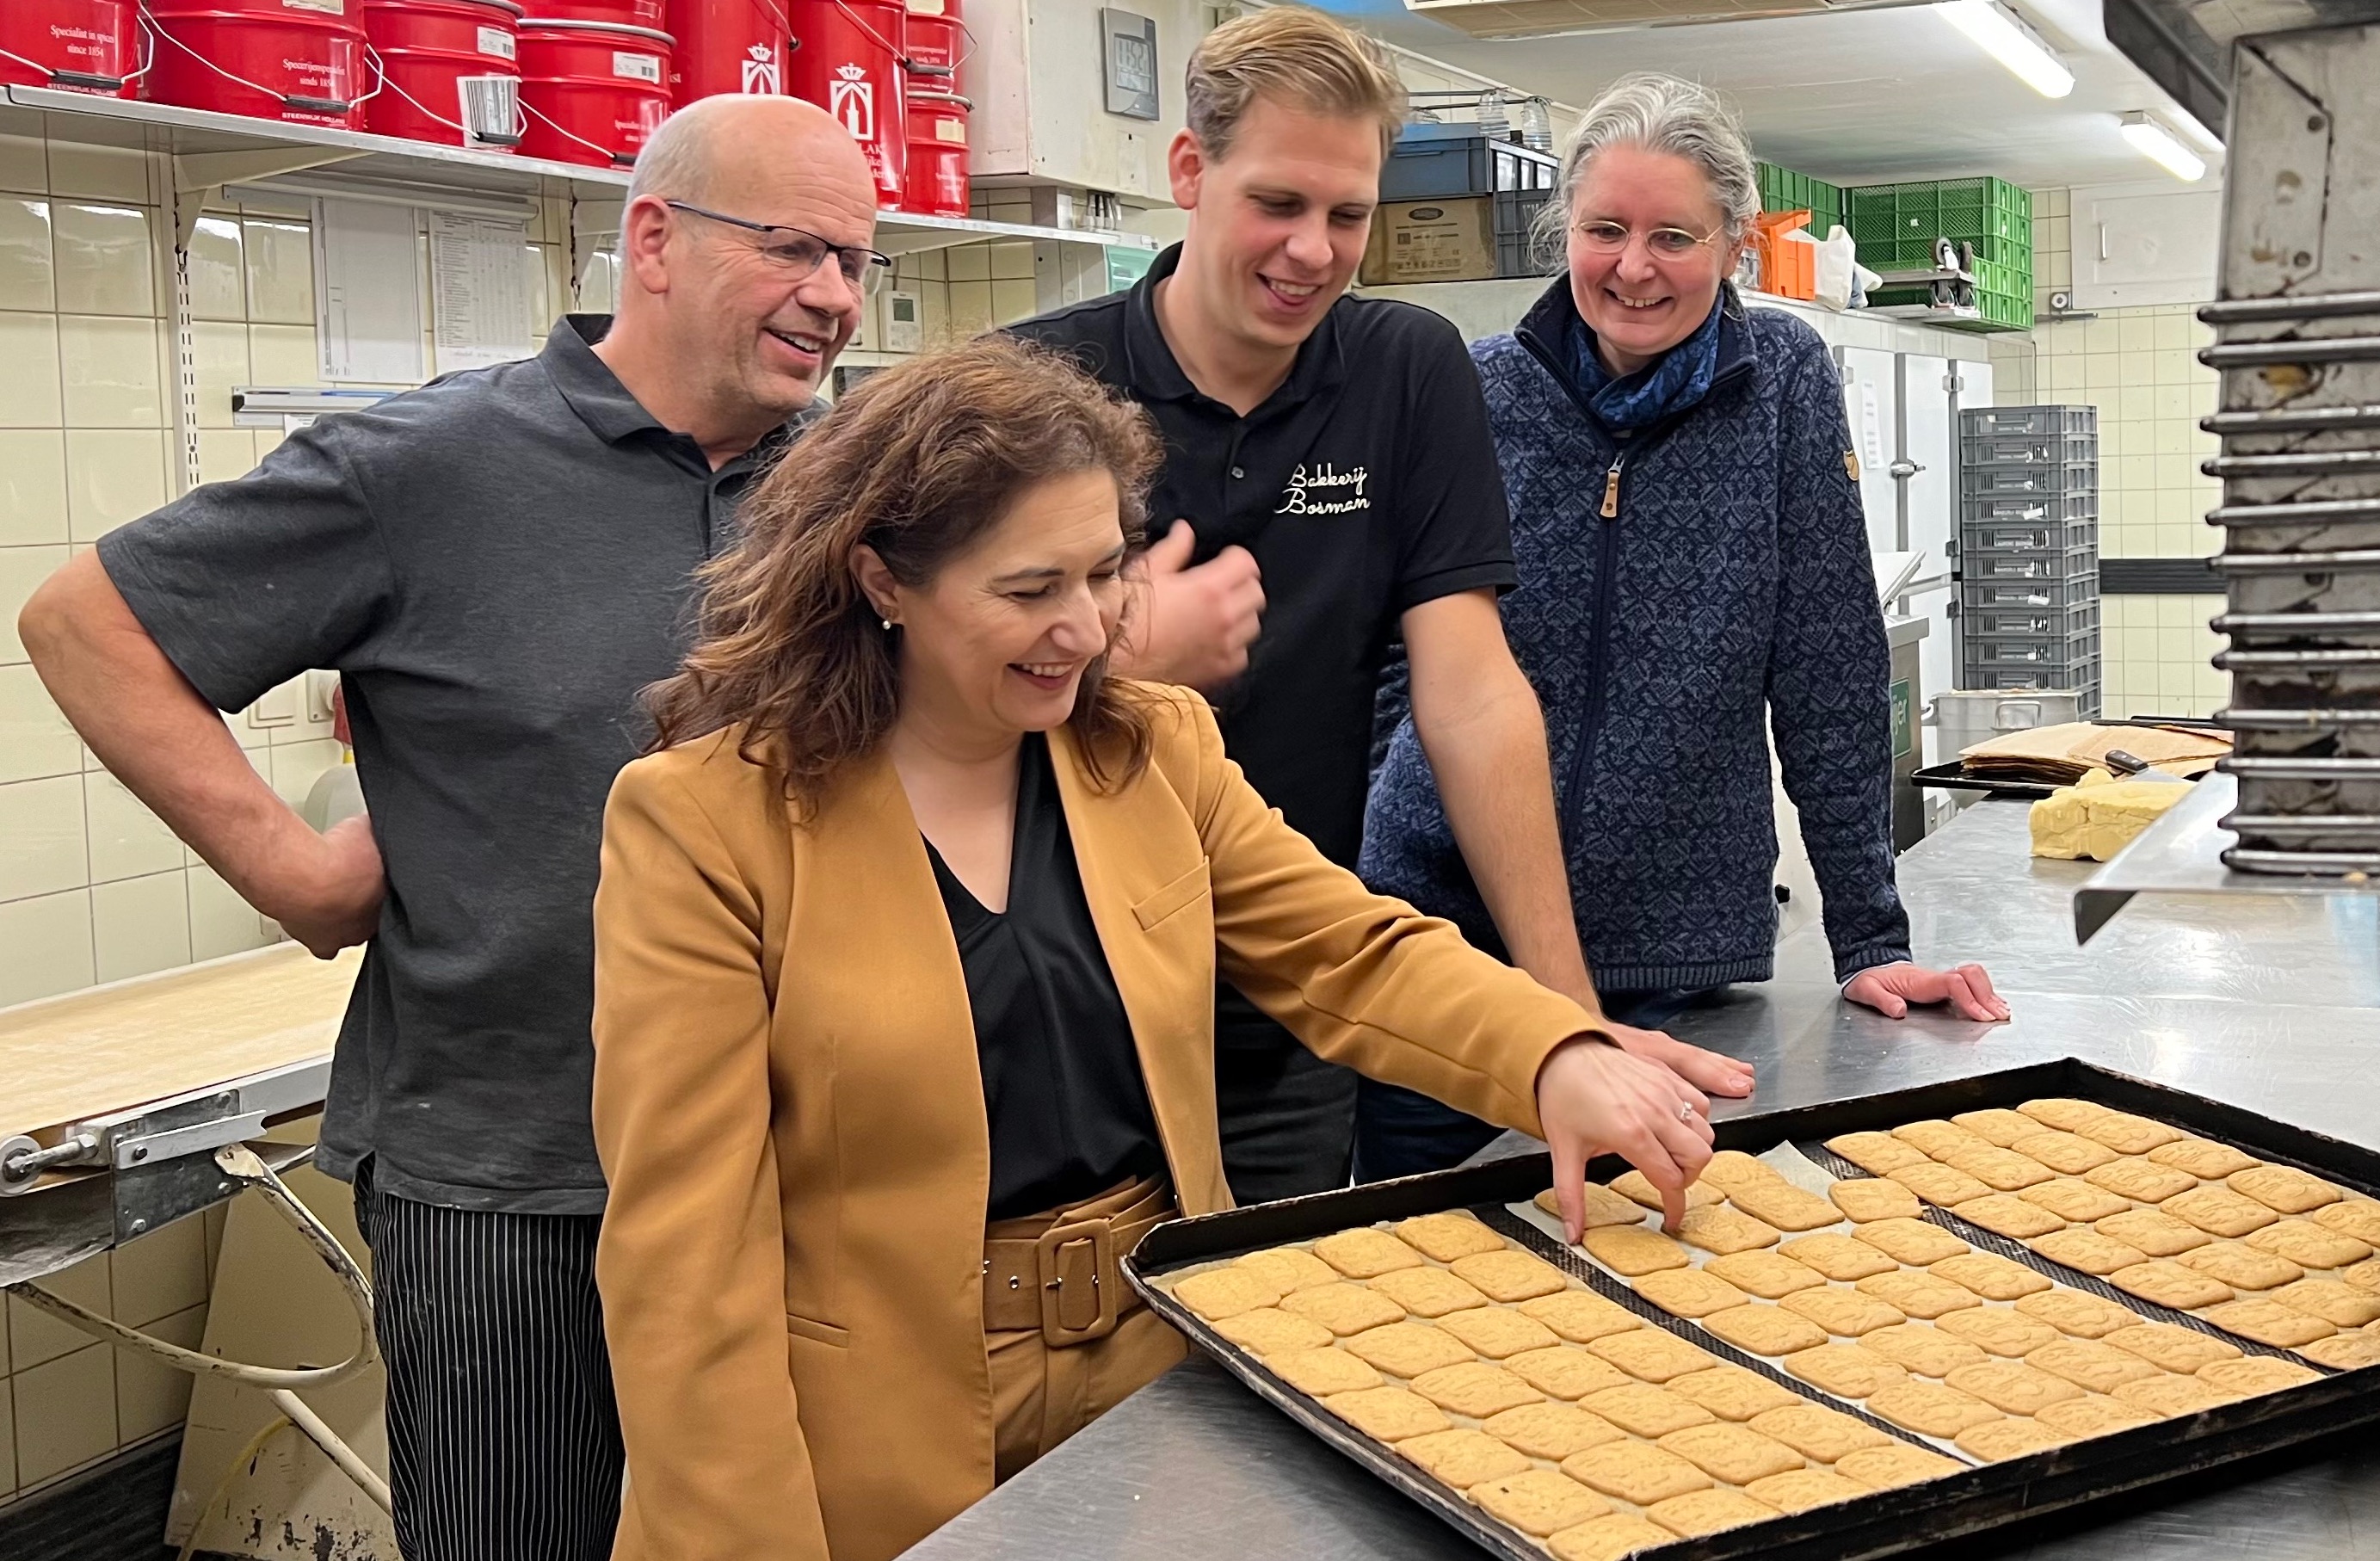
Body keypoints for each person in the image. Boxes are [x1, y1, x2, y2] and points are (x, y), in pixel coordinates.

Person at [588, 336, 1715, 1561]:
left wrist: (1554, 1052)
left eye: (1104, 572)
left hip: (1163, 1366)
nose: (1083, 630)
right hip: (870, 1437)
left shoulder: (1150, 753)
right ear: (881, 580)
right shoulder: (709, 822)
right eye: (1028, 591)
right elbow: (686, 1267)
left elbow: (1351, 953)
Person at [15, 96, 880, 1561]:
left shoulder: (846, 486)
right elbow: (86, 622)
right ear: (655, 243)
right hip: (513, 1181)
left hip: (799, 1165)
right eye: (795, 247)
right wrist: (293, 870)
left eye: (857, 259)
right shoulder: (433, 464)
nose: (837, 295)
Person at [1008, 8, 1750, 1202]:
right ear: (1190, 174)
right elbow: (904, 689)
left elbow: (1471, 696)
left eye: (1347, 216)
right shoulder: (1030, 389)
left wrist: (1566, 1018)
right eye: (1278, 204)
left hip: (1297, 994)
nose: (1313, 250)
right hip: (1058, 1011)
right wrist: (1109, 645)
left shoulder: (1406, 370)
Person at [1358, 74, 2008, 1177]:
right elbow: (1395, 658)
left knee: (1638, 1274)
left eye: (1674, 235)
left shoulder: (1783, 385)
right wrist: (1378, 853)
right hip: (1447, 944)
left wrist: (1870, 938)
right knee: (1422, 1255)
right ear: (1566, 228)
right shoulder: (1476, 389)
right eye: (1605, 229)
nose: (1634, 266)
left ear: (1734, 246)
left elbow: (1828, 662)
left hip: (1666, 944)